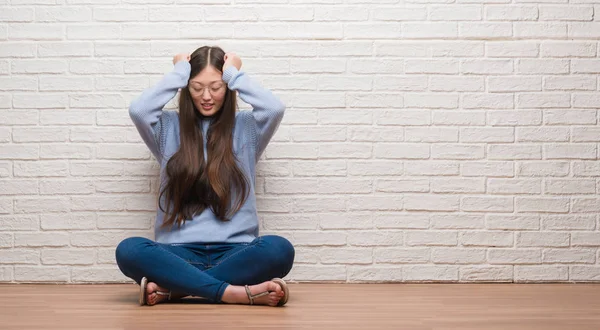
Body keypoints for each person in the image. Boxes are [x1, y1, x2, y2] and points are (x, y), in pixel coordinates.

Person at [115, 46, 295, 307]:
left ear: (228, 87)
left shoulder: (247, 128)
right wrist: (179, 72)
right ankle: (231, 292)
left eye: (216, 87)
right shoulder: (167, 128)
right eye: (197, 88)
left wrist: (233, 73)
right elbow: (139, 111)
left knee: (280, 250)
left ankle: (175, 290)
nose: (206, 96)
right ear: (187, 88)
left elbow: (274, 109)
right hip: (178, 254)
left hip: (236, 253)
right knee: (129, 250)